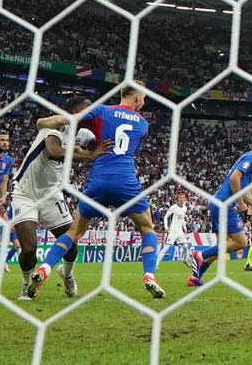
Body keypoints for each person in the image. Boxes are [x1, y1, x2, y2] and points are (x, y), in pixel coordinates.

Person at [28, 86, 166, 299]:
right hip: (125, 180)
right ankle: (149, 276)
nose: (144, 103)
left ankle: (45, 268)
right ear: (137, 97)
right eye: (144, 98)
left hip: (98, 179)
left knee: (74, 232)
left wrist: (41, 123)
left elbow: (63, 121)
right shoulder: (144, 124)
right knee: (147, 228)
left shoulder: (102, 110)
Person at [12, 96, 108, 300]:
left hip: (51, 194)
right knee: (29, 248)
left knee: (71, 244)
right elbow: (54, 152)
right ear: (74, 111)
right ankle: (27, 285)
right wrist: (87, 156)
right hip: (25, 193)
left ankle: (67, 273)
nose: (90, 111)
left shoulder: (82, 133)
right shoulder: (54, 127)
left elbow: (96, 145)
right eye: (86, 108)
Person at [188, 133, 252, 287]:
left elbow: (246, 192)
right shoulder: (251, 158)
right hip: (225, 204)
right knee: (241, 242)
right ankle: (198, 255)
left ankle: (195, 277)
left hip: (218, 202)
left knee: (220, 246)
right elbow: (234, 179)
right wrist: (240, 203)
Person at [0, 130, 17, 273]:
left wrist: (3, 196)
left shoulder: (8, 160)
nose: (5, 143)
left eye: (7, 140)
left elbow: (4, 180)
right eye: (2, 140)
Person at [155, 193, 191, 269]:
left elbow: (182, 219)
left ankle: (185, 260)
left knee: (185, 246)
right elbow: (166, 217)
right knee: (166, 247)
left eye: (183, 198)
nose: (182, 199)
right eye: (180, 197)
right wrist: (166, 227)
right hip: (173, 231)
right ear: (177, 199)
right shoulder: (173, 207)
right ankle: (156, 264)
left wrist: (185, 228)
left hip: (180, 231)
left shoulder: (185, 208)